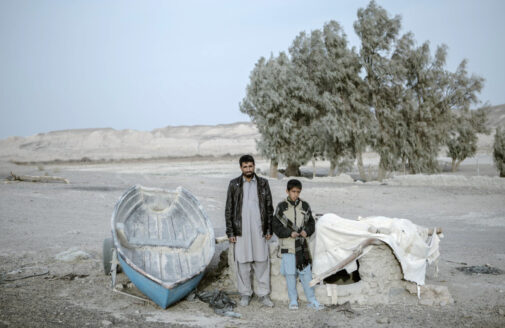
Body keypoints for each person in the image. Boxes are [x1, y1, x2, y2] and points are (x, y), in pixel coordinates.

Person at [225, 154, 274, 307]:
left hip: (259, 230)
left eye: (250, 166)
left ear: (254, 166)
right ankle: (245, 294)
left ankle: (263, 294)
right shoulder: (234, 185)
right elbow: (229, 209)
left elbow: (269, 208)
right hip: (242, 231)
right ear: (241, 168)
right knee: (243, 263)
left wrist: (268, 229)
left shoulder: (263, 184)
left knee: (262, 262)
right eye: (245, 167)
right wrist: (231, 232)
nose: (248, 169)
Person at [272, 179, 323, 310]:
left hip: (302, 247)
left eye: (298, 192)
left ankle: (311, 300)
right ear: (287, 191)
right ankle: (293, 300)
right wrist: (289, 233)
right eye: (293, 191)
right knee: (290, 274)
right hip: (288, 247)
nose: (295, 194)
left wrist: (307, 231)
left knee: (306, 274)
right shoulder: (281, 207)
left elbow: (311, 223)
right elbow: (276, 227)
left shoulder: (305, 206)